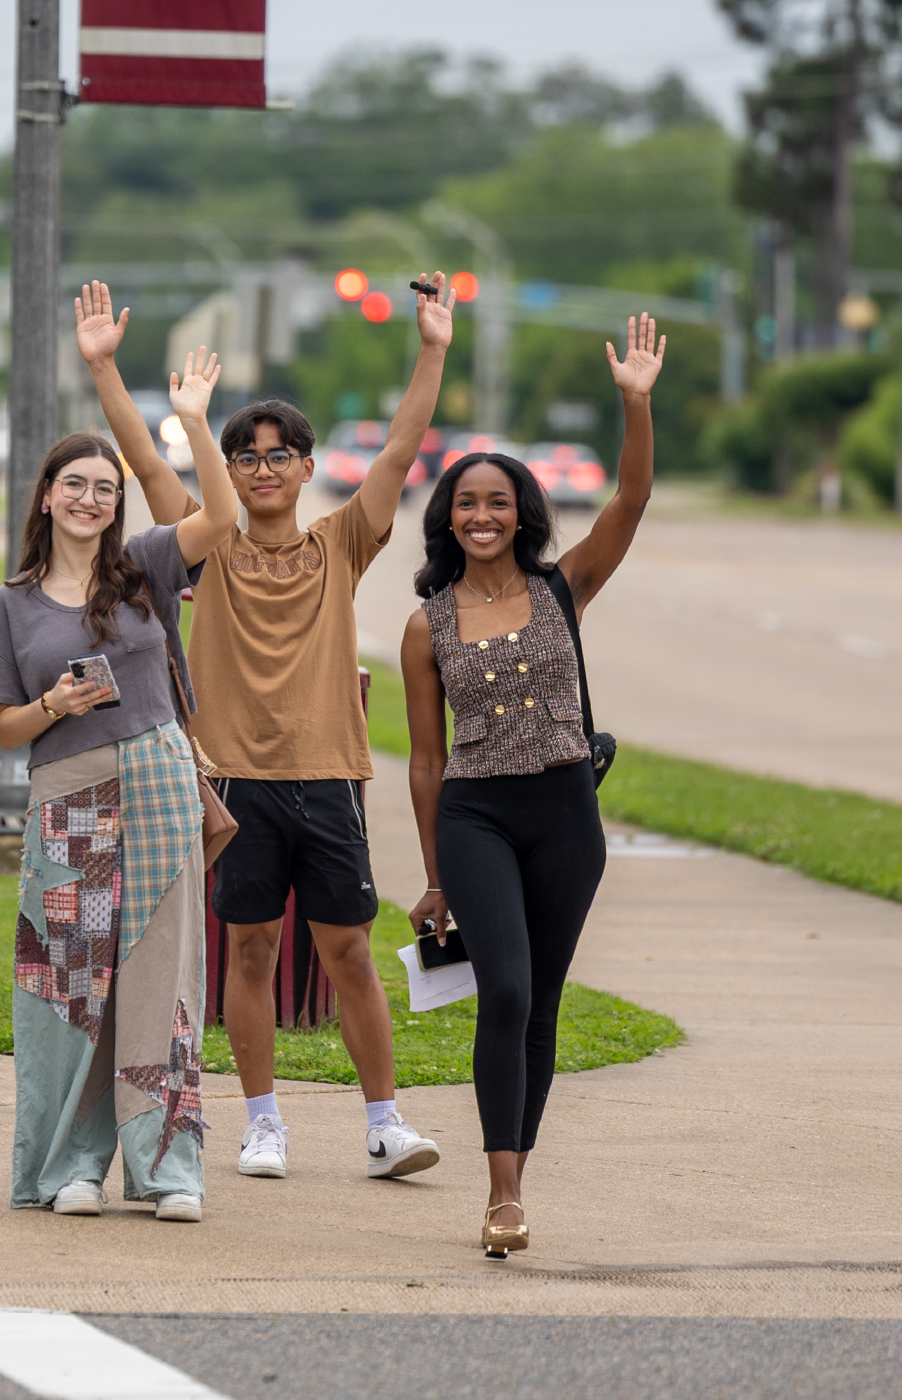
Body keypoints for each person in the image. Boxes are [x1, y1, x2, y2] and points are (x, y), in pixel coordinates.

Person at [124, 273, 458, 1182]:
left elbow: (400, 448)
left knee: (350, 951)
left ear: (309, 468)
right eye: (247, 457)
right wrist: (112, 372)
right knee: (253, 951)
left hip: (329, 779)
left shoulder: (340, 543)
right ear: (230, 473)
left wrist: (432, 348)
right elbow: (149, 468)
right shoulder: (209, 546)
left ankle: (385, 1124)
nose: (264, 468)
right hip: (235, 783)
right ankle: (262, 1123)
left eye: (280, 455)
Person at [401, 315, 664, 1256]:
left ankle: (515, 1180)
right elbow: (425, 761)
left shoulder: (564, 588)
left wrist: (635, 403)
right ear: (448, 516)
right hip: (477, 816)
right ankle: (500, 1195)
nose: (483, 516)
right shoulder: (426, 625)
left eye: (499, 503)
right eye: (467, 502)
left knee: (541, 1003)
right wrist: (436, 875)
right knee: (504, 992)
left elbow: (631, 498)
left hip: (564, 816)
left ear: (522, 514)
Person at [0, 285, 241, 1223]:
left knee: (162, 976)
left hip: (159, 782)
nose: (91, 498)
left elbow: (223, 516)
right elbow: (4, 729)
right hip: (66, 794)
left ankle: (169, 1167)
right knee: (68, 983)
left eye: (105, 488)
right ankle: (70, 1168)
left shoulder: (147, 569)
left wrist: (193, 423)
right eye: (75, 485)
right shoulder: (14, 603)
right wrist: (52, 703)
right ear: (47, 496)